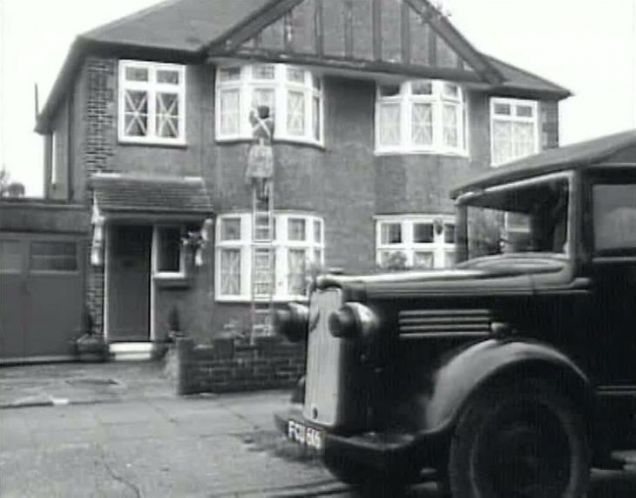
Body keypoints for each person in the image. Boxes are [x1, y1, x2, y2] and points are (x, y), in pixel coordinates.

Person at [245, 105, 275, 200]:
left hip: (256, 148)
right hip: (266, 147)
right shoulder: (271, 123)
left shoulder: (255, 121)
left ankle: (260, 192)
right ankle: (264, 191)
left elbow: (250, 117)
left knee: (257, 171)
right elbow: (272, 136)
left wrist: (252, 106)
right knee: (266, 171)